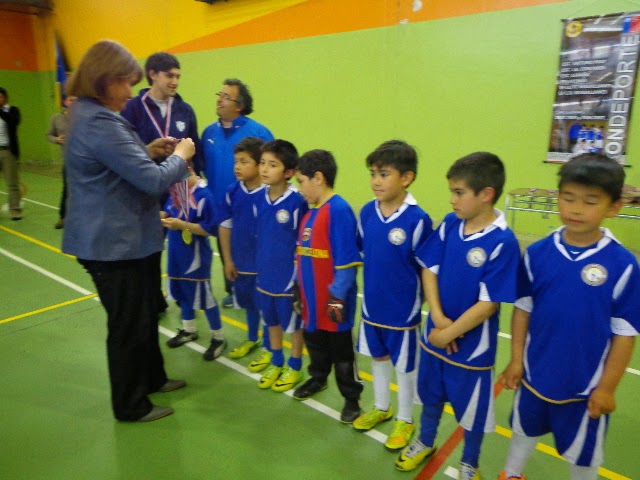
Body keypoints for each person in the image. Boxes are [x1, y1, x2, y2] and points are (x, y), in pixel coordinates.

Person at [62, 40, 193, 423]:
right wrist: (179, 158)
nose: (128, 93)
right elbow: (152, 182)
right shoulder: (99, 121)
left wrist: (148, 149)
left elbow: (118, 163)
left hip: (129, 240)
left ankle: (152, 378)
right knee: (127, 326)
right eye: (124, 83)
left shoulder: (91, 115)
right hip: (114, 245)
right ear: (103, 80)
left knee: (144, 315)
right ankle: (130, 404)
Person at [498, 153, 640, 480]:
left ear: (614, 207)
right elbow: (522, 309)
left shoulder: (623, 264)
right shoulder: (537, 253)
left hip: (584, 388)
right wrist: (517, 360)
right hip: (534, 375)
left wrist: (606, 388)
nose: (576, 209)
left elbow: (625, 333)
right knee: (523, 429)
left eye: (590, 201)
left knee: (584, 455)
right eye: (568, 198)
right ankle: (511, 473)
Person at [396, 152, 520, 479]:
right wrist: (437, 318)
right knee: (432, 394)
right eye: (452, 192)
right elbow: (429, 268)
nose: (452, 200)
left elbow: (489, 303)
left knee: (473, 410)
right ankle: (424, 441)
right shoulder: (451, 224)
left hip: (472, 348)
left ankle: (470, 463)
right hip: (437, 334)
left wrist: (450, 334)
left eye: (459, 193)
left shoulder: (503, 241)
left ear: (486, 194)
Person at [353, 140, 433, 451]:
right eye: (373, 173)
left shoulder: (418, 219)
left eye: (384, 174)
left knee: (405, 366)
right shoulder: (367, 213)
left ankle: (405, 418)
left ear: (406, 178)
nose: (375, 180)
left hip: (403, 311)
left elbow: (427, 269)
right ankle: (382, 406)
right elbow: (363, 251)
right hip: (372, 306)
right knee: (378, 357)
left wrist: (420, 303)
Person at [121, 52, 202, 315]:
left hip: (180, 191)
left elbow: (195, 148)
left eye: (178, 76)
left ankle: (184, 295)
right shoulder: (132, 108)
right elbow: (125, 152)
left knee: (184, 244)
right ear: (153, 74)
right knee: (150, 248)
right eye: (169, 75)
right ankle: (153, 298)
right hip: (147, 190)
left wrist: (197, 182)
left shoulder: (184, 109)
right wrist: (149, 150)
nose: (175, 81)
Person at [292, 149, 364, 423]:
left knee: (341, 352)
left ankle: (351, 398)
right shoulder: (311, 214)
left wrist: (336, 299)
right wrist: (299, 291)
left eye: (301, 181)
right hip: (311, 302)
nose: (300, 189)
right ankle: (317, 379)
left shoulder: (339, 211)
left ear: (318, 178)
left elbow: (346, 262)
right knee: (316, 345)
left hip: (334, 302)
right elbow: (303, 256)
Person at [202, 79, 274, 308]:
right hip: (219, 206)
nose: (219, 100)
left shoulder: (259, 132)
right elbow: (203, 166)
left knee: (252, 248)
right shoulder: (208, 133)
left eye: (226, 96)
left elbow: (273, 167)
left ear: (239, 106)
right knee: (226, 247)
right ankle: (232, 289)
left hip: (251, 207)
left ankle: (264, 288)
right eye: (219, 94)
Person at [254, 139, 308, 392]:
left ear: (289, 172)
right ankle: (276, 360)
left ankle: (295, 365)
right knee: (271, 320)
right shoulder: (259, 198)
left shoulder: (297, 202)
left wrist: (299, 277)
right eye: (263, 163)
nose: (264, 169)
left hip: (288, 277)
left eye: (272, 165)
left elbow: (302, 241)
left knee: (293, 325)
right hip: (265, 274)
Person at [161, 163, 227, 361]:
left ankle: (218, 337)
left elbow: (212, 228)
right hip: (175, 250)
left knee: (202, 295)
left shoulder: (204, 195)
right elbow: (170, 211)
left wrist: (183, 225)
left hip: (195, 255)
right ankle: (189, 329)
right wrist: (162, 216)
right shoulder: (178, 189)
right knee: (182, 289)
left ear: (189, 172)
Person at [217, 137, 271, 365]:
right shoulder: (232, 192)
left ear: (259, 165)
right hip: (242, 261)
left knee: (267, 307)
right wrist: (228, 260)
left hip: (266, 265)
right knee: (248, 303)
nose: (237, 166)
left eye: (244, 161)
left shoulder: (271, 193)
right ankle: (252, 338)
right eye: (236, 161)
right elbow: (225, 226)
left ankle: (270, 347)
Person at [47, 95, 77, 229]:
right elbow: (48, 135)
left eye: (76, 99)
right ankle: (63, 217)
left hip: (84, 159)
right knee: (67, 188)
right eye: (71, 99)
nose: (73, 102)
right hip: (68, 159)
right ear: (65, 101)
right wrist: (57, 139)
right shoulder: (56, 118)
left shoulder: (83, 118)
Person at [0, 86, 22, 221]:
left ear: (5, 98)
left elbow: (14, 122)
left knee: (12, 183)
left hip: (8, 151)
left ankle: (15, 211)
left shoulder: (13, 111)